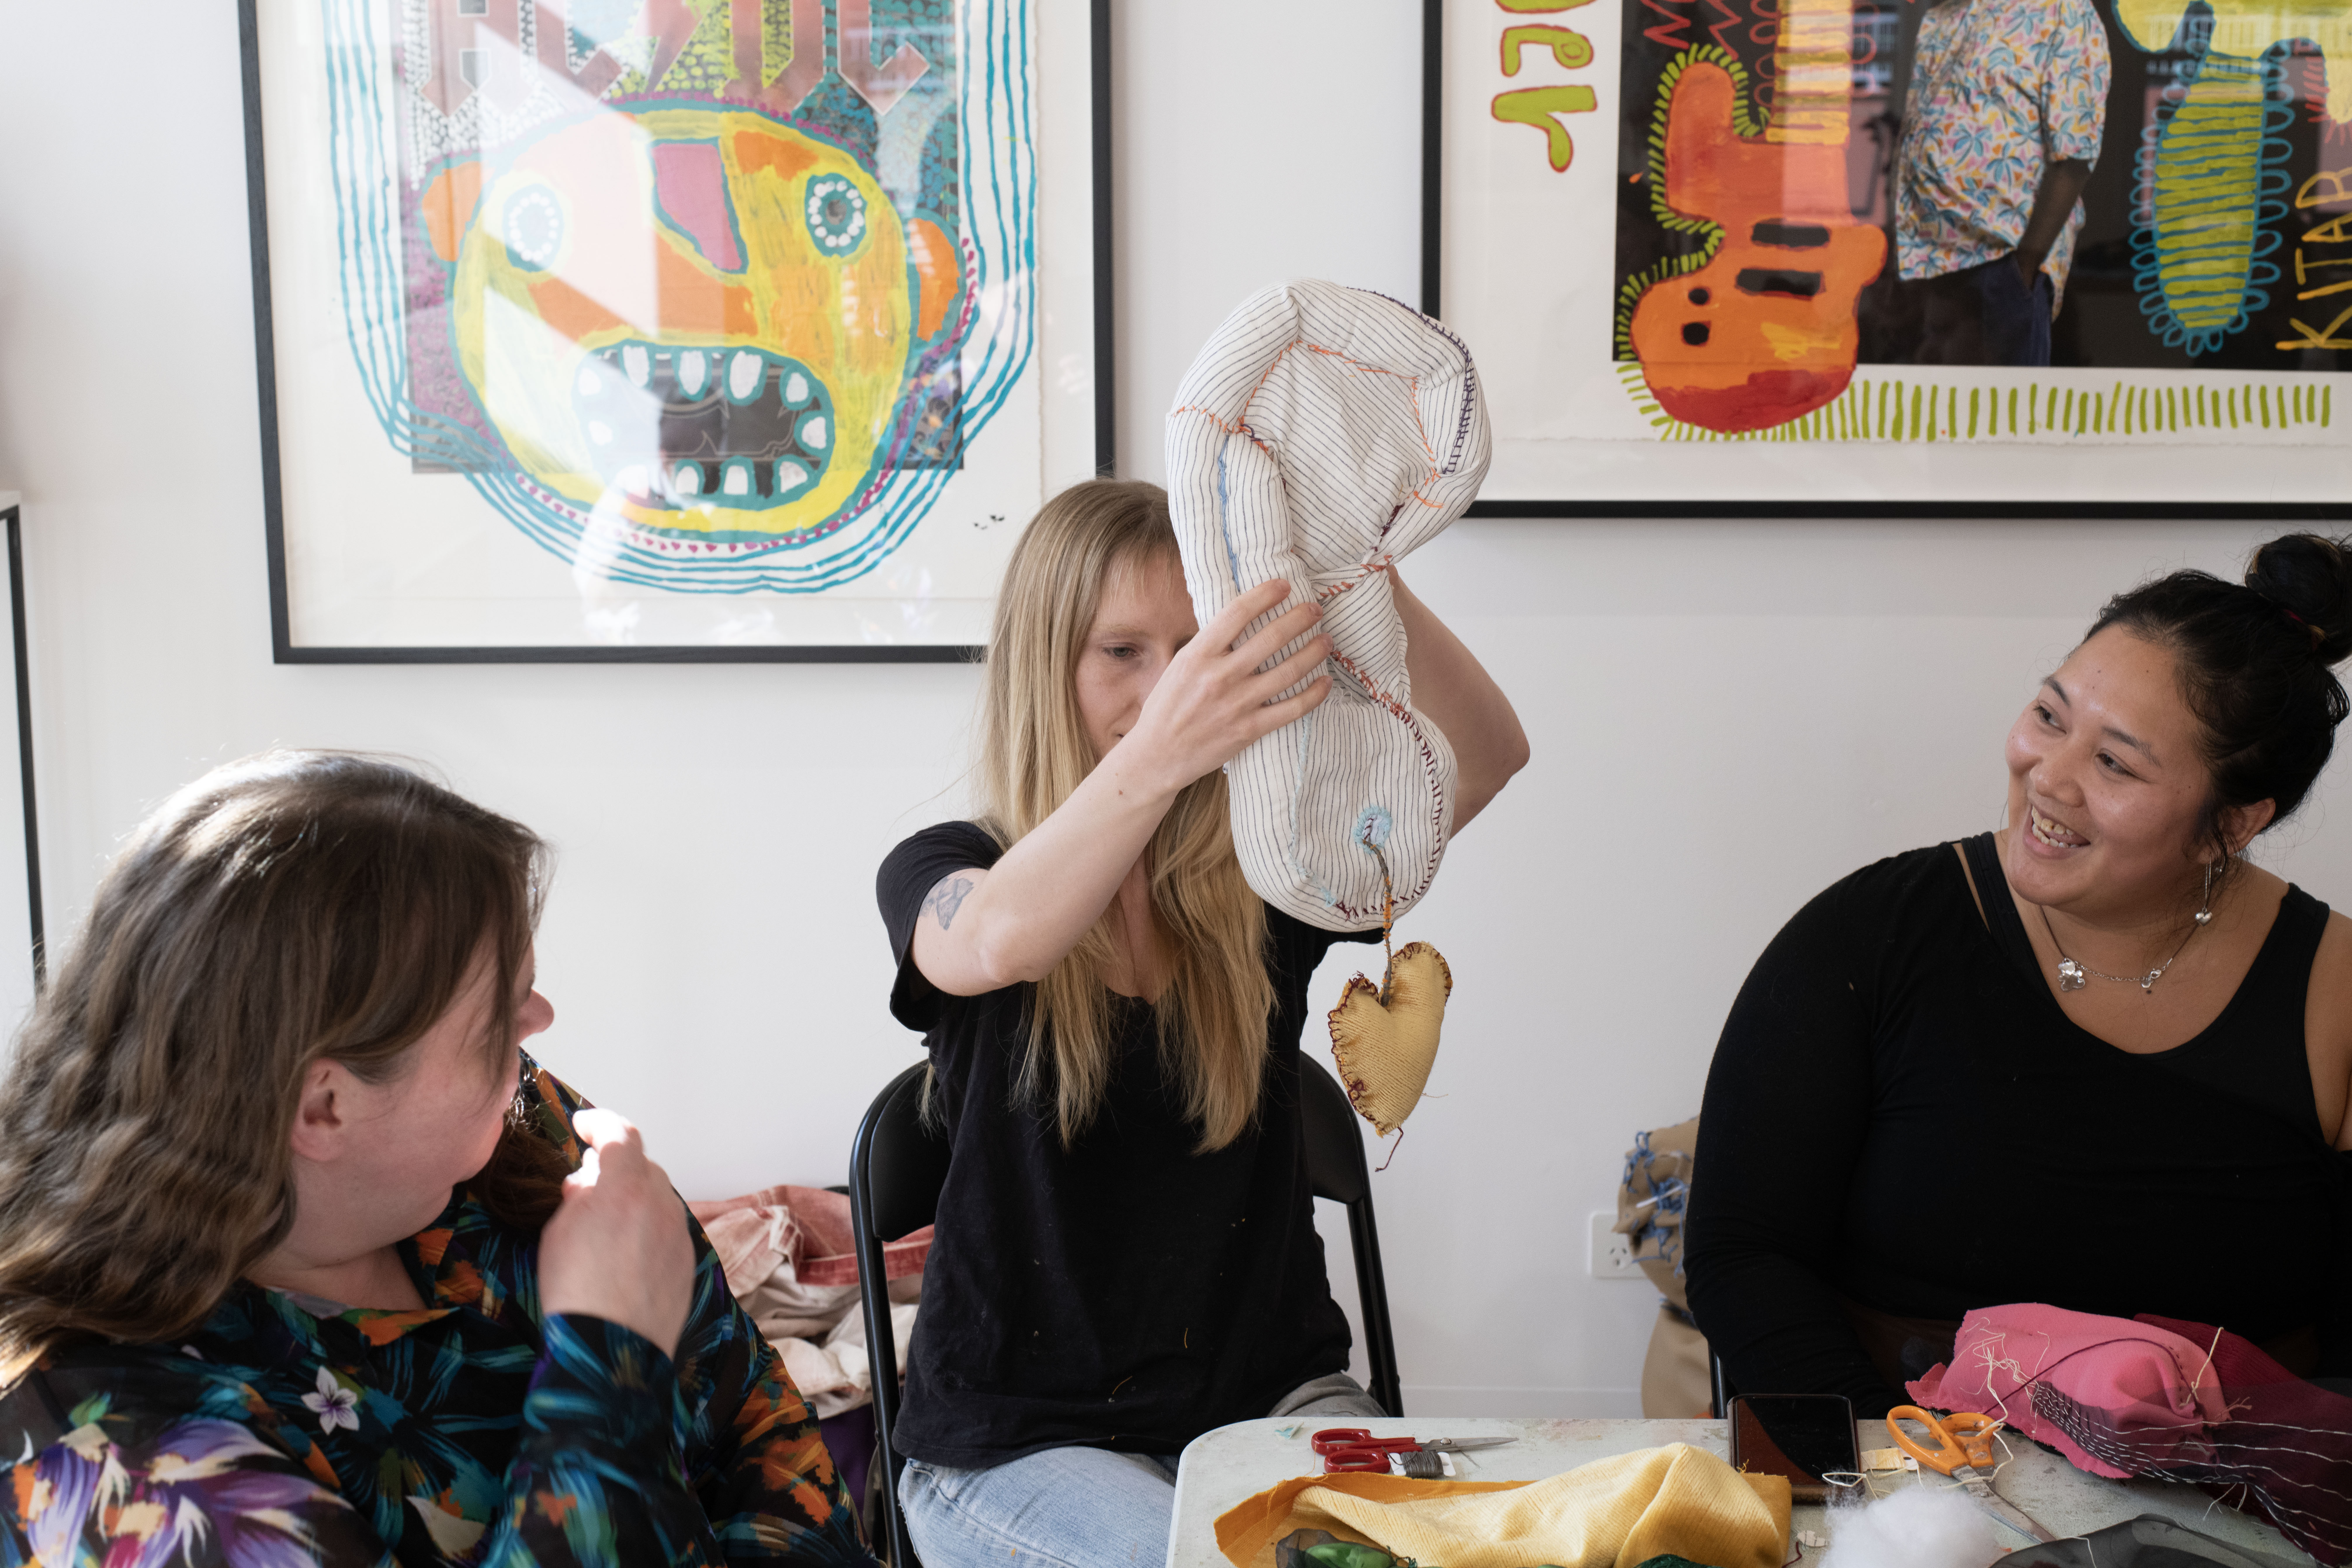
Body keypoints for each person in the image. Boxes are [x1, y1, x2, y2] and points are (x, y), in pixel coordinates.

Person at [0, 752, 875, 1567]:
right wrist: (608, 1353)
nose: (540, 1016)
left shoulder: (531, 1130)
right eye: (497, 1013)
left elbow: (768, 1449)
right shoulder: (118, 1462)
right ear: (323, 1104)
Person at [875, 480, 1527, 1568]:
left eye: (1197, 647)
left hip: (1267, 1399)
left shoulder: (1267, 876)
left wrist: (1356, 567)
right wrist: (1166, 749)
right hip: (1016, 1446)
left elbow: (1487, 755)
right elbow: (992, 948)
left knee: (1478, 1549)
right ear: (1049, 666)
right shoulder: (953, 870)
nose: (1173, 684)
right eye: (1123, 652)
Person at [1687, 535, 2352, 1416]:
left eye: (2114, 763)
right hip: (1899, 1478)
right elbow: (1742, 1252)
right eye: (2049, 715)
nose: (2048, 778)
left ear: (2229, 823)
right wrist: (1897, 1474)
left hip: (2233, 1497)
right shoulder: (1868, 935)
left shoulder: (2332, 989)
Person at [1892, 0, 2110, 365]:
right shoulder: (1945, 14)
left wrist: (2023, 268)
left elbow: (2074, 156)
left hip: (2000, 264)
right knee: (1932, 418)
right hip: (1927, 266)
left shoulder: (2064, 12)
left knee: (2001, 416)